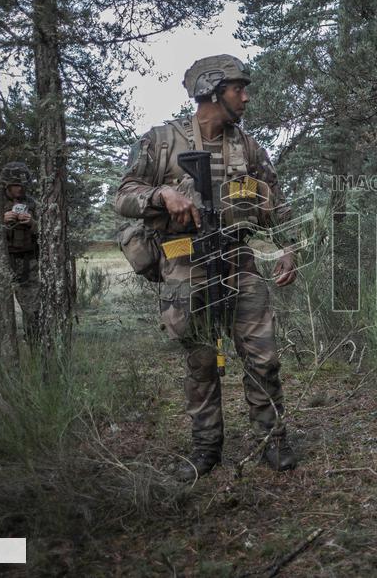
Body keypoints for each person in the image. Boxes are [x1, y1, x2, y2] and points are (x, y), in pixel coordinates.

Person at [115, 54, 299, 479]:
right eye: (239, 89)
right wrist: (161, 195)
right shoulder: (162, 141)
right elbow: (123, 195)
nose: (246, 98)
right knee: (201, 360)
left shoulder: (248, 147)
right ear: (213, 91)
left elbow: (276, 202)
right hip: (186, 261)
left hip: (238, 258)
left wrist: (288, 247)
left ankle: (271, 440)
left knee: (263, 357)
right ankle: (206, 448)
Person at [0, 161, 40, 345]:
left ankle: (35, 347)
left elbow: (47, 230)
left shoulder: (32, 204)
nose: (20, 188)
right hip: (1, 261)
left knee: (33, 310)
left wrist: (32, 223)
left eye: (23, 185)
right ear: (7, 185)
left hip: (27, 263)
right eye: (16, 185)